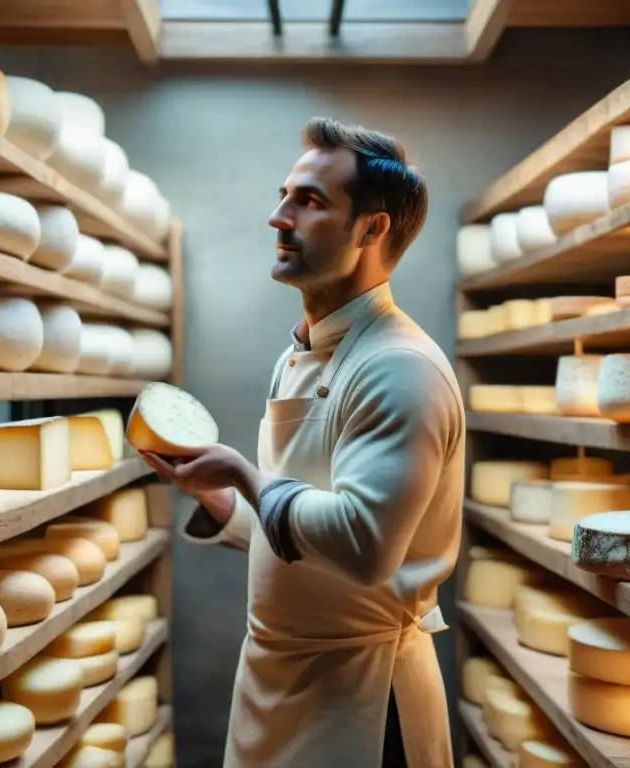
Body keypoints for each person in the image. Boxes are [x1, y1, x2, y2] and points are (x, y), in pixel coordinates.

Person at [142, 117, 465, 768]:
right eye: (283, 194)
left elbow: (365, 546)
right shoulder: (303, 352)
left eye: (309, 201)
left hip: (361, 698)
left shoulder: (400, 366)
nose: (278, 216)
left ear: (371, 230)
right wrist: (226, 503)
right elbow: (304, 522)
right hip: (282, 680)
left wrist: (242, 473)